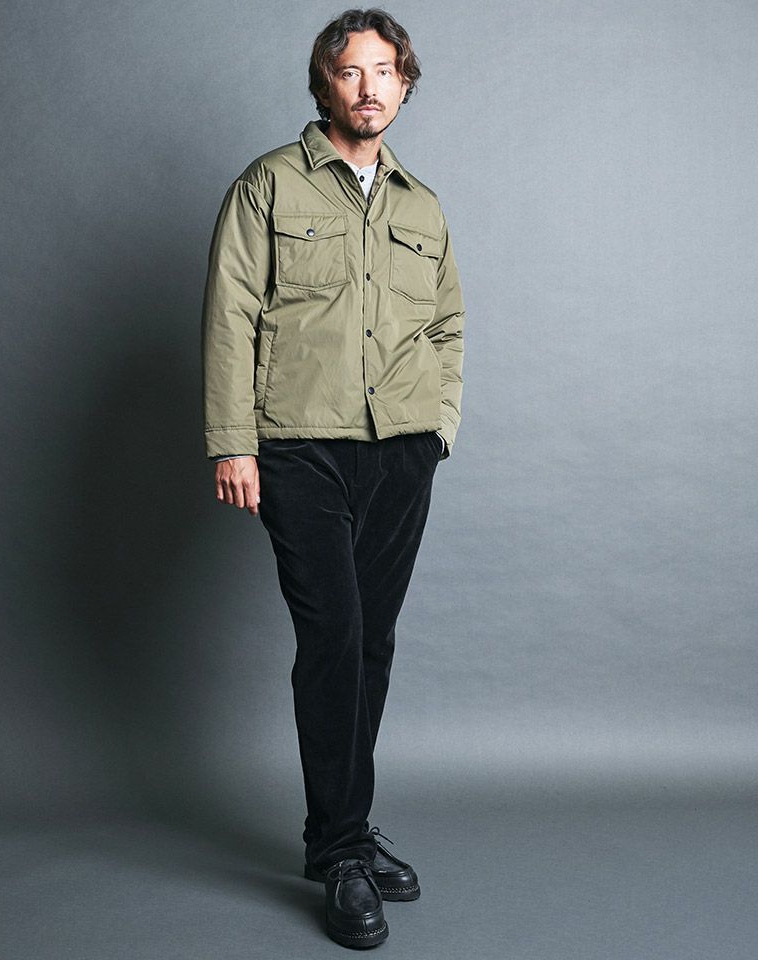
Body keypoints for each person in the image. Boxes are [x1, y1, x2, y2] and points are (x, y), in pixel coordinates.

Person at [201, 7, 465, 949]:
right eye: (351, 71)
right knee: (335, 634)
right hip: (298, 447)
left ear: (405, 84)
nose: (369, 87)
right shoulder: (268, 184)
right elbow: (230, 314)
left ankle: (340, 831)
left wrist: (438, 428)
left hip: (400, 450)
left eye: (385, 71)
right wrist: (232, 443)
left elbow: (447, 326)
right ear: (325, 84)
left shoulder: (422, 206)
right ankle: (343, 850)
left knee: (373, 644)